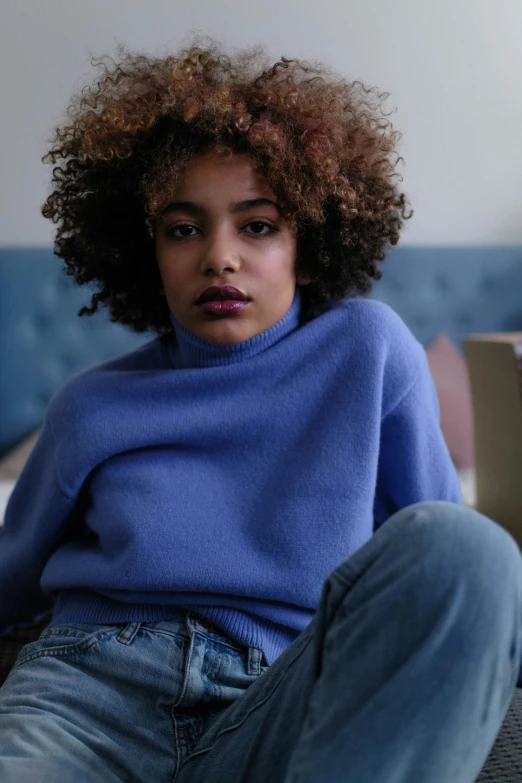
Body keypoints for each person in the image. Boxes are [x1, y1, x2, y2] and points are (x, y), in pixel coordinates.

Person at [0, 39, 520, 783]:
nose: (219, 257)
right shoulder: (89, 406)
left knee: (472, 548)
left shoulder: (369, 351)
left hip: (283, 701)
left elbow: (440, 573)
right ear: (144, 250)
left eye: (258, 225)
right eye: (183, 229)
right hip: (89, 702)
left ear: (308, 246)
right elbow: (11, 578)